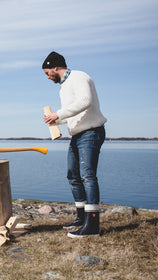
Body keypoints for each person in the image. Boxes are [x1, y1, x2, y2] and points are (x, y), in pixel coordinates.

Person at [42, 51, 107, 238]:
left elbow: (85, 102)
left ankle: (92, 224)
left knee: (88, 175)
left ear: (55, 67)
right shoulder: (63, 87)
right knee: (73, 174)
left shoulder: (79, 76)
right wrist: (55, 120)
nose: (47, 77)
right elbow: (74, 112)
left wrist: (58, 114)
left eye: (47, 73)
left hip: (91, 132)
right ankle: (81, 218)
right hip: (78, 134)